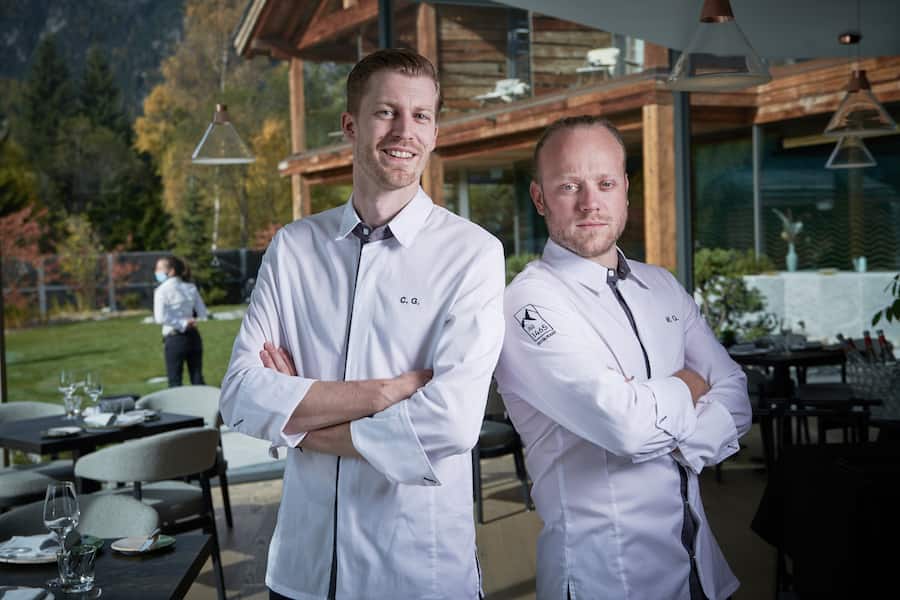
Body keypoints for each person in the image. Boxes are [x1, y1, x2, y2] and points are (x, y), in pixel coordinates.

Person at [219, 49, 505, 600]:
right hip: (302, 569)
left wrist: (302, 423)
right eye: (386, 112)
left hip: (414, 572)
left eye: (421, 115)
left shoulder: (473, 254)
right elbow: (239, 395)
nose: (405, 130)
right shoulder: (293, 248)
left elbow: (450, 423)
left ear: (436, 132)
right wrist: (387, 393)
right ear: (351, 125)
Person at [493, 116, 751, 600]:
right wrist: (693, 387)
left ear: (626, 190)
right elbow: (625, 428)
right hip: (608, 578)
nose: (591, 202)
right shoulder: (528, 304)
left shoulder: (662, 286)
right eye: (570, 185)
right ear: (540, 197)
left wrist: (668, 431)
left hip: (701, 571)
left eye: (605, 183)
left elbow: (737, 398)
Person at [153, 255, 208, 387]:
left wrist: (182, 323)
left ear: (171, 271)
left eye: (159, 268)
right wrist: (189, 320)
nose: (156, 271)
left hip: (175, 338)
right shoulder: (191, 288)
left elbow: (159, 318)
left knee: (175, 382)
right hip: (194, 336)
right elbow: (203, 313)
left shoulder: (161, 290)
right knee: (197, 378)